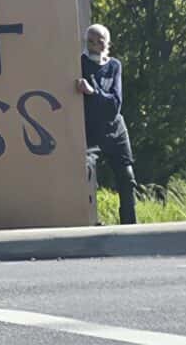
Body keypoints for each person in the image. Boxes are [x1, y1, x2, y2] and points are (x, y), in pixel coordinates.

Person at [75, 23, 139, 225]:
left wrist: (93, 93)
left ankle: (129, 225)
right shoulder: (80, 64)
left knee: (127, 177)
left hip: (116, 129)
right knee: (85, 172)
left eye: (99, 41)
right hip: (91, 130)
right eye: (90, 42)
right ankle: (88, 221)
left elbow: (115, 104)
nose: (95, 46)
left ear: (107, 43)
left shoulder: (114, 66)